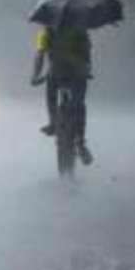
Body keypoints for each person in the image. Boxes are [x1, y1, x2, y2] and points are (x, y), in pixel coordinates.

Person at [31, 21, 93, 165]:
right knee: (79, 104)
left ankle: (53, 122)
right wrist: (87, 70)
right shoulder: (80, 29)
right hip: (76, 75)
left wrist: (35, 75)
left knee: (51, 93)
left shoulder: (46, 31)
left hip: (57, 74)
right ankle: (81, 143)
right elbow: (87, 55)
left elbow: (40, 54)